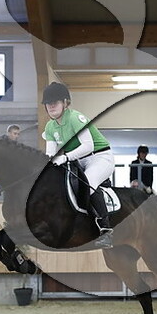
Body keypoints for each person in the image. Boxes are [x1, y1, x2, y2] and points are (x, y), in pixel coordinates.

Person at [42, 82, 115, 248]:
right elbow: (50, 155)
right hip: (77, 161)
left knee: (86, 184)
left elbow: (88, 146)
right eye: (48, 103)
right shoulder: (50, 126)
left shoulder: (75, 118)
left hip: (100, 157)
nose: (51, 106)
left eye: (55, 102)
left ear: (65, 102)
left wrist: (65, 157)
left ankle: (106, 230)